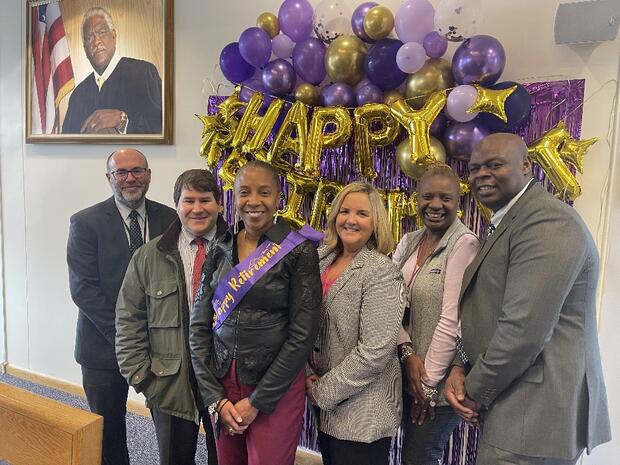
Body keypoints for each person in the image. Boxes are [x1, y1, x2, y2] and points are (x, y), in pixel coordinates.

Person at [444, 133, 611, 465]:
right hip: (519, 408)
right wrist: (458, 365)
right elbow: (485, 310)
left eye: (495, 165)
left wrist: (471, 392)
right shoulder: (515, 219)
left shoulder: (547, 221)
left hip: (535, 418)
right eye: (475, 168)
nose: (481, 175)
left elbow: (522, 332)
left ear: (526, 166)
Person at [189, 160, 322, 465]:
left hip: (274, 386)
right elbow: (198, 327)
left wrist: (258, 401)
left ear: (278, 198)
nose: (254, 201)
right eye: (244, 192)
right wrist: (215, 398)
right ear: (233, 198)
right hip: (223, 382)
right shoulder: (219, 248)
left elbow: (302, 336)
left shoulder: (299, 251)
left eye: (264, 192)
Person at [67, 148, 176, 465]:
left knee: (171, 430)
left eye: (138, 171)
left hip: (162, 348)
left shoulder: (170, 219)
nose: (131, 178)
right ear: (109, 178)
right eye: (122, 172)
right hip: (102, 346)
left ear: (149, 174)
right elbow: (84, 290)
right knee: (108, 434)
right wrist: (129, 337)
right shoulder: (85, 223)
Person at [116, 169, 227, 465]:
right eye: (188, 200)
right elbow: (128, 320)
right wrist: (142, 377)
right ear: (176, 205)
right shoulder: (148, 256)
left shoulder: (241, 252)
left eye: (205, 200)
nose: (197, 208)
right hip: (169, 381)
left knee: (227, 460)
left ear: (220, 204)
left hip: (225, 380)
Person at [306, 182, 406, 465]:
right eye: (344, 211)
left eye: (361, 213)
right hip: (326, 402)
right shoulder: (321, 259)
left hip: (365, 410)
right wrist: (305, 374)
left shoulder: (382, 271)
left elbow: (374, 353)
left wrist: (321, 392)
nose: (350, 220)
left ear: (376, 222)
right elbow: (300, 322)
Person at [392, 165, 479, 465]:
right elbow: (387, 303)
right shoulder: (409, 241)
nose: (436, 205)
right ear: (417, 199)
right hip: (404, 374)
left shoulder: (464, 244)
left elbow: (451, 320)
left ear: (460, 202)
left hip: (437, 389)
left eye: (446, 198)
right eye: (428, 196)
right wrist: (406, 351)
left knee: (419, 458)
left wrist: (427, 387)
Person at [62, 7, 162, 134]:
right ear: (85, 49)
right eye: (89, 38)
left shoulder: (144, 74)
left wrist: (122, 121)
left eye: (102, 32)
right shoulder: (78, 96)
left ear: (114, 35)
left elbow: (162, 129)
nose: (96, 42)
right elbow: (68, 146)